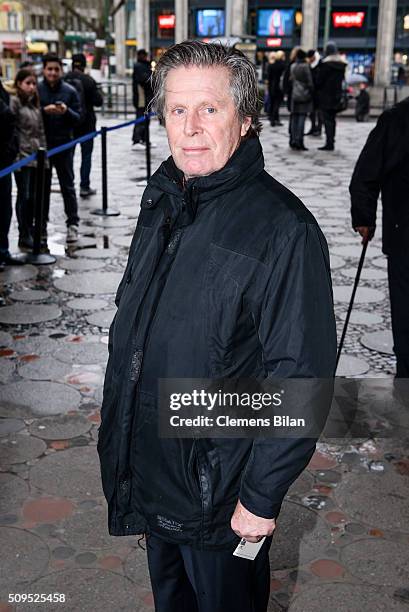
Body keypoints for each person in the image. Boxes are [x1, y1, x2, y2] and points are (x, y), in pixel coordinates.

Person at [98, 41, 336, 612]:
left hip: (223, 495)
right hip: (157, 470)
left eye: (210, 109)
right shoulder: (164, 199)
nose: (190, 128)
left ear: (247, 118)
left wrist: (259, 497)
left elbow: (300, 380)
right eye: (177, 110)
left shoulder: (285, 231)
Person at [350, 97, 409, 378]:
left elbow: (366, 173)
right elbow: (367, 174)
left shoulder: (397, 117)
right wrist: (364, 216)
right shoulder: (398, 118)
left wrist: (364, 217)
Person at [38, 53, 81, 246]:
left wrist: (66, 111)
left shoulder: (70, 91)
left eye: (56, 69)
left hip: (64, 144)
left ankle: (73, 223)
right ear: (44, 70)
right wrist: (43, 111)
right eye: (49, 69)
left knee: (68, 185)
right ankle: (41, 227)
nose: (53, 73)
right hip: (43, 146)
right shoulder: (37, 90)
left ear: (60, 70)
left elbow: (79, 117)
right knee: (42, 188)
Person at [10, 68, 47, 251]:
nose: (32, 87)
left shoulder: (34, 105)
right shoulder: (15, 103)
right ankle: (23, 234)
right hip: (21, 158)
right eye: (28, 83)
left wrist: (44, 156)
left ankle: (30, 232)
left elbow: (40, 132)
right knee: (23, 197)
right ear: (19, 84)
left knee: (32, 197)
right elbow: (13, 131)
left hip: (35, 157)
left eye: (34, 83)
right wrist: (16, 158)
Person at [65, 53, 103, 198]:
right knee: (86, 156)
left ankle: (69, 185)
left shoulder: (64, 79)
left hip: (70, 124)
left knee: (69, 156)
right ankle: (84, 186)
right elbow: (98, 101)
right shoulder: (88, 80)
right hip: (87, 124)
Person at [0, 79, 23, 266]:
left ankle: (2, 250)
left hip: (4, 162)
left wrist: (9, 150)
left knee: (4, 209)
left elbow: (8, 118)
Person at [315, 41, 347, 151]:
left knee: (327, 120)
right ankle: (331, 140)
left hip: (326, 96)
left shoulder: (326, 65)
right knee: (332, 120)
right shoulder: (342, 65)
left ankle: (329, 143)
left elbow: (319, 81)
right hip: (337, 96)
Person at [289, 49, 314, 151]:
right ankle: (300, 141)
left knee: (295, 118)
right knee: (302, 118)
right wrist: (311, 91)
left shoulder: (293, 66)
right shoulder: (305, 66)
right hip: (304, 94)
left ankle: (293, 140)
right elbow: (310, 81)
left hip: (294, 94)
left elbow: (291, 80)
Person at [132, 49, 154, 150]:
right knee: (141, 119)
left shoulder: (146, 65)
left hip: (146, 98)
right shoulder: (139, 66)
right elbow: (145, 79)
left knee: (146, 120)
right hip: (141, 98)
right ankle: (137, 140)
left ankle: (145, 140)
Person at [266, 50, 285, 127]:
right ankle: (274, 119)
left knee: (273, 103)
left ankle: (273, 119)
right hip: (279, 87)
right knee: (277, 104)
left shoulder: (271, 65)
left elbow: (269, 78)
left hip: (272, 87)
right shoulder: (283, 65)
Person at [306, 49, 322, 136]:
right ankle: (312, 128)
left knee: (319, 112)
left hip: (319, 92)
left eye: (310, 58)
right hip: (312, 92)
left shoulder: (320, 63)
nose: (309, 60)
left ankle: (319, 129)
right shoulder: (310, 65)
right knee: (311, 112)